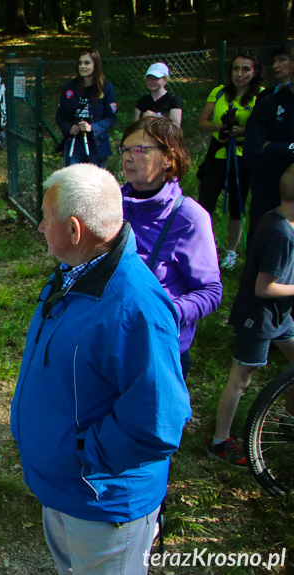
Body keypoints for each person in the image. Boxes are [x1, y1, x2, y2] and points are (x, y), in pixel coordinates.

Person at [11, 163, 191, 575]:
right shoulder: (76, 273)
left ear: (75, 230)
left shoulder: (135, 306)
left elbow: (160, 419)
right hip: (66, 487)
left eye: (45, 217)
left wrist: (82, 456)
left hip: (101, 501)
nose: (39, 226)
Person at [119, 117, 222, 378]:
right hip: (112, 340)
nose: (129, 157)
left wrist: (167, 312)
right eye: (125, 149)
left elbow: (210, 290)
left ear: (168, 158)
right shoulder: (110, 203)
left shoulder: (189, 217)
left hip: (158, 350)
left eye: (140, 149)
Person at [207, 164, 294, 467]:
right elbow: (264, 288)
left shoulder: (280, 219)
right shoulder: (281, 233)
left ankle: (287, 421)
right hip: (259, 317)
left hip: (280, 316)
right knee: (240, 380)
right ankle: (219, 441)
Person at [196, 50, 263, 270]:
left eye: (245, 69)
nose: (239, 73)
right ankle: (202, 247)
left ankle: (231, 252)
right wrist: (220, 128)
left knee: (237, 204)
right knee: (205, 203)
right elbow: (203, 122)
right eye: (236, 68)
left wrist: (243, 130)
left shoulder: (261, 95)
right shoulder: (219, 92)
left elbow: (262, 126)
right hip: (217, 154)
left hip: (242, 157)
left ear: (254, 72)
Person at [244, 45, 294, 242]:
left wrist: (273, 147)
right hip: (266, 196)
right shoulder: (269, 102)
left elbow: (263, 150)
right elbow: (251, 154)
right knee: (259, 250)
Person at [55, 49, 118, 168]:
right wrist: (69, 128)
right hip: (75, 143)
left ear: (96, 64)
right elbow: (60, 116)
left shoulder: (106, 88)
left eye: (87, 63)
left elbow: (111, 117)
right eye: (80, 63)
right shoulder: (70, 88)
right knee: (73, 179)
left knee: (94, 182)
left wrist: (92, 128)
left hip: (96, 143)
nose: (83, 66)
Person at [134, 62, 182, 126]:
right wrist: (143, 119)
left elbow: (176, 126)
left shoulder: (173, 99)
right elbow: (135, 127)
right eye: (149, 78)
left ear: (165, 80)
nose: (152, 81)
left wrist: (155, 117)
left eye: (156, 78)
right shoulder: (142, 101)